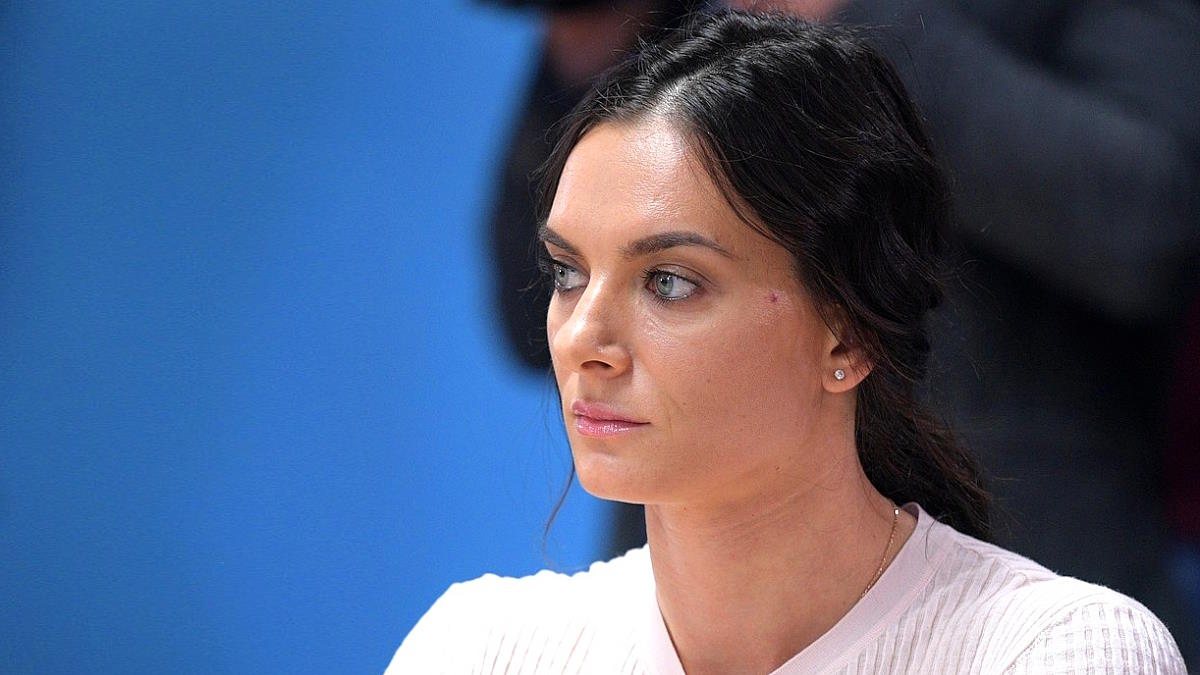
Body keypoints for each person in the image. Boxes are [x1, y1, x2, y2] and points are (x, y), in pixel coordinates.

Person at [390, 11, 1186, 673]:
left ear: (849, 331)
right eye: (568, 272)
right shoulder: (479, 645)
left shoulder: (1066, 649)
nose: (584, 340)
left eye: (669, 282)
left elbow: (1149, 223)